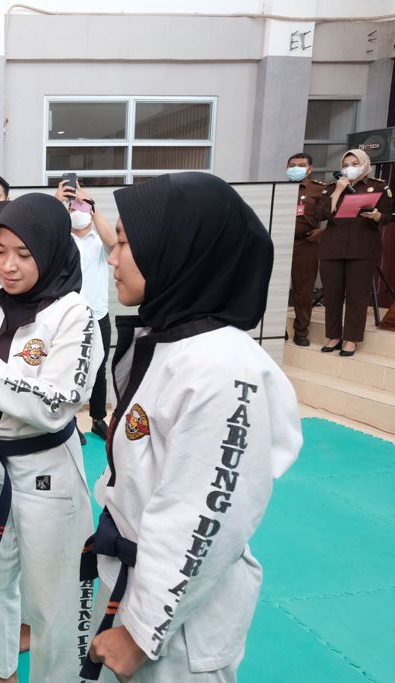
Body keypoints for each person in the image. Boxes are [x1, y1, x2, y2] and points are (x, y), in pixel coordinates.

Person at [83, 172, 302, 682]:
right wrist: (109, 530)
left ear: (177, 249)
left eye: (125, 243)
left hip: (177, 624)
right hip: (135, 576)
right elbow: (143, 472)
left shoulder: (220, 367)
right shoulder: (172, 340)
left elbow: (205, 516)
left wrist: (141, 632)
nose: (112, 259)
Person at [0, 193, 102, 683]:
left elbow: (57, 404)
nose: (8, 266)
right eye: (0, 250)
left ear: (51, 250)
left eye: (24, 254)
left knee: (56, 594)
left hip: (46, 468)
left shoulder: (77, 315)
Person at [318, 148, 392, 356]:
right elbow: (321, 213)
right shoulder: (332, 187)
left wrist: (377, 216)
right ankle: (333, 335)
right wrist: (339, 191)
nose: (349, 168)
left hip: (363, 247)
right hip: (332, 247)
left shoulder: (377, 186)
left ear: (365, 164)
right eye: (345, 165)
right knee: (332, 295)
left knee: (357, 296)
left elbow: (388, 214)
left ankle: (351, 338)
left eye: (354, 164)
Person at [68, 183, 116, 440]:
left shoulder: (99, 240)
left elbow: (113, 242)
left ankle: (98, 418)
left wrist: (92, 205)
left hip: (99, 314)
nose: (77, 208)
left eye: (81, 204)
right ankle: (70, 422)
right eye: (72, 205)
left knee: (99, 369)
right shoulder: (63, 239)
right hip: (71, 317)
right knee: (70, 369)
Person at [285, 153, 327, 347]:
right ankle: (277, 329)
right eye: (292, 165)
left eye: (301, 165)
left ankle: (301, 331)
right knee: (274, 287)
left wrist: (322, 231)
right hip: (280, 243)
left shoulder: (319, 190)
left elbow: (337, 216)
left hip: (306, 244)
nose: (296, 168)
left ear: (310, 168)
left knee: (303, 290)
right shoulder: (280, 188)